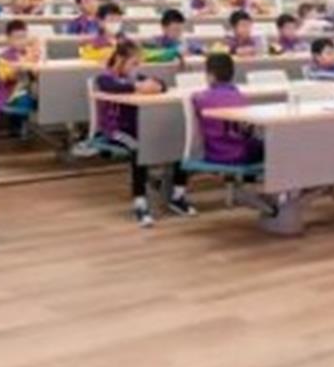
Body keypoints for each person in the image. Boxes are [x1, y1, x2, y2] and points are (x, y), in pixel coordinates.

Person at [91, 39, 194, 227]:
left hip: (138, 127)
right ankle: (140, 202)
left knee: (179, 139)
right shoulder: (105, 77)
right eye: (133, 63)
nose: (136, 68)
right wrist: (139, 87)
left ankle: (177, 194)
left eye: (138, 64)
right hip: (115, 130)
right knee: (139, 149)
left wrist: (157, 86)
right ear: (120, 59)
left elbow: (160, 83)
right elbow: (112, 87)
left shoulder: (135, 77)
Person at [191, 52, 264, 167]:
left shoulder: (201, 98)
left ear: (210, 75)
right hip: (242, 154)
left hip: (216, 154)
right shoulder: (241, 97)